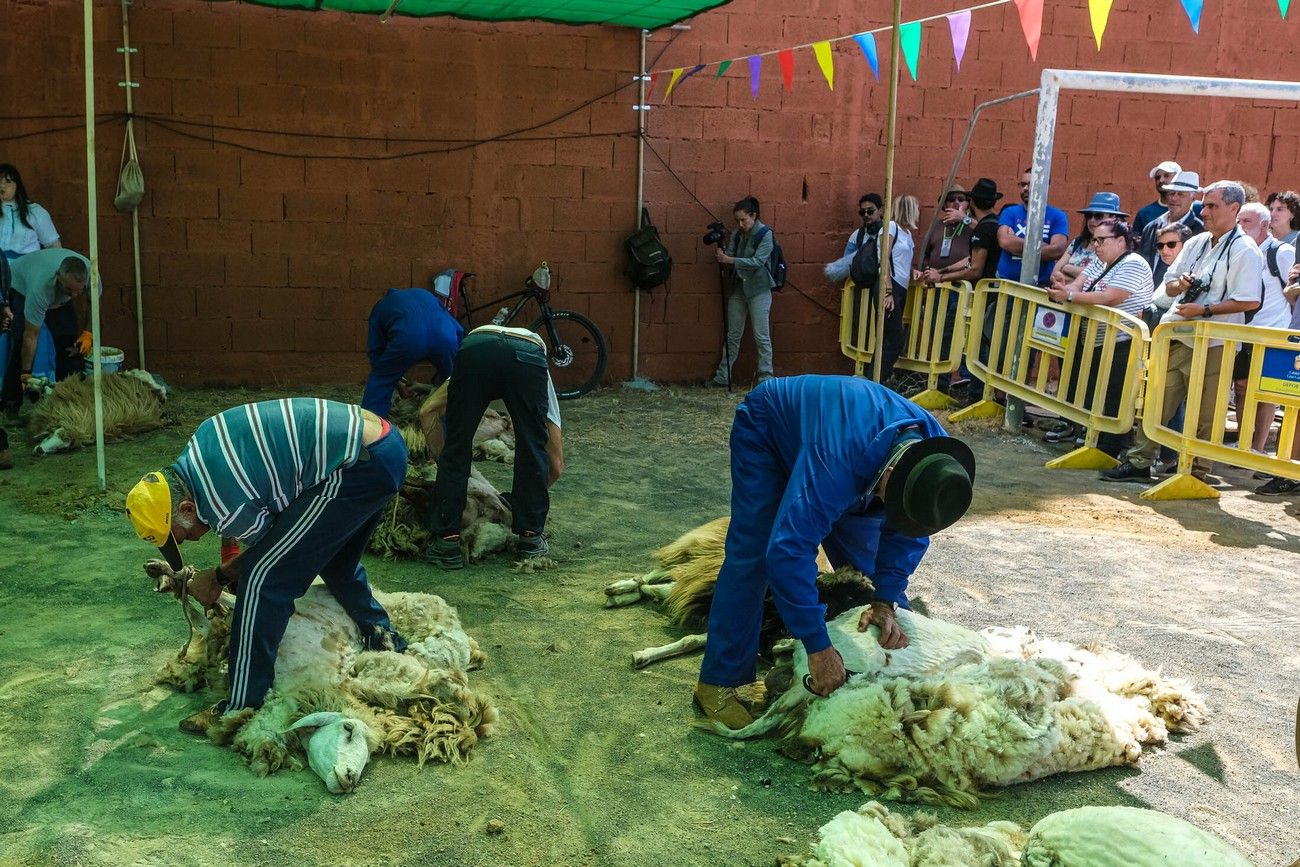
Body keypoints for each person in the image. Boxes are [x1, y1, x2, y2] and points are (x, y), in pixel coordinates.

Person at [692, 375, 975, 730]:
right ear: (890, 473)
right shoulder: (835, 460)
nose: (891, 513)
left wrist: (885, 601)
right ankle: (718, 682)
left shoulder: (935, 460)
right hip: (771, 432)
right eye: (892, 502)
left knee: (871, 580)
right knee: (755, 552)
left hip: (857, 461)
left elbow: (908, 533)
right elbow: (789, 550)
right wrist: (817, 646)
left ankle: (861, 664)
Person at [124, 398, 410, 733]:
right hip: (382, 445)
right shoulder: (198, 453)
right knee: (335, 558)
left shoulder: (222, 500)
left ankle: (241, 705)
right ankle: (383, 639)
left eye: (177, 537)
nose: (183, 543)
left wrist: (216, 578)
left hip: (354, 466)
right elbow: (256, 520)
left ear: (187, 509)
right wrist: (223, 568)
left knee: (264, 581)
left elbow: (271, 552)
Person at [1102, 181, 1262, 484]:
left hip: (1216, 341)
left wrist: (1205, 310)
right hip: (1178, 331)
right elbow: (1168, 286)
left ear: (1234, 209)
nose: (1206, 212)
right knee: (1156, 399)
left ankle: (1196, 471)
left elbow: (1249, 299)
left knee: (1206, 411)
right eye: (1205, 205)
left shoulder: (1244, 249)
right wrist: (1181, 286)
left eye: (1213, 206)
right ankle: (1139, 461)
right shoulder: (1197, 242)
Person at [421, 324, 565, 569]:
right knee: (531, 444)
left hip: (477, 349)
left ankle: (446, 544)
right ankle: (530, 541)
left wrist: (443, 461)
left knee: (458, 442)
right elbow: (555, 464)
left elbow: (426, 410)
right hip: (526, 353)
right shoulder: (541, 372)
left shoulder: (460, 370)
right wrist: (526, 507)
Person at [1045, 219, 1153, 453]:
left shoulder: (1134, 263)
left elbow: (1111, 297)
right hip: (1095, 338)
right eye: (1094, 239)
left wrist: (1070, 297)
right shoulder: (1099, 262)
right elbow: (1078, 286)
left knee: (1115, 396)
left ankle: (1110, 448)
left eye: (1101, 240)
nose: (1096, 245)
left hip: (1123, 342)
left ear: (1121, 241)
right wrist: (1064, 289)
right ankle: (1091, 437)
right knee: (1092, 389)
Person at [1, 247, 98, 413]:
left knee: (71, 346)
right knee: (20, 345)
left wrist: (88, 333)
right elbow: (30, 336)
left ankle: (68, 400)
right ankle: (12, 404)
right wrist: (26, 373)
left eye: (79, 291)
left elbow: (95, 305)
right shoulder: (40, 288)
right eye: (70, 290)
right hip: (21, 285)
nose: (75, 296)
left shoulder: (92, 276)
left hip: (57, 291)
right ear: (58, 278)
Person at [1232, 202, 1293, 457]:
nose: (1241, 226)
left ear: (1265, 225)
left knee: (1268, 391)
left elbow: (1292, 293)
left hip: (1272, 332)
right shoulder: (1241, 251)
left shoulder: (1282, 251)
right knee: (1242, 387)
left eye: (1246, 221)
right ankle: (1243, 443)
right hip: (1245, 331)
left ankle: (1257, 448)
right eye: (1239, 221)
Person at [839, 193, 917, 386]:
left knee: (890, 338)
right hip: (889, 287)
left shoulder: (906, 233)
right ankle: (874, 381)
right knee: (893, 339)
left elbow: (901, 261)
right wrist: (888, 291)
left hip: (900, 286)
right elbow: (884, 259)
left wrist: (914, 272)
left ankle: (875, 379)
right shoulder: (890, 227)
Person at [361, 287, 464, 419]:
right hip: (446, 337)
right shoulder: (424, 294)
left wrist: (395, 382)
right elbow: (458, 330)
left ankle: (372, 427)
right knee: (452, 385)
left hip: (409, 338)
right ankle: (455, 428)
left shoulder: (380, 307)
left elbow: (376, 351)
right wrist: (456, 362)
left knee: (380, 381)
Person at [707, 196, 775, 387]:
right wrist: (723, 253)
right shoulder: (737, 233)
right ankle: (722, 377)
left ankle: (766, 379)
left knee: (762, 337)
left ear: (754, 215)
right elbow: (731, 253)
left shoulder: (765, 234)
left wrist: (730, 260)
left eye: (744, 219)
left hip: (759, 290)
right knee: (732, 335)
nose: (740, 223)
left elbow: (757, 262)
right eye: (738, 220)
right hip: (740, 288)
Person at [996, 168, 1069, 287]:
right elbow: (1004, 242)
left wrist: (1016, 245)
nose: (1025, 188)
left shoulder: (1057, 216)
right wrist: (1043, 246)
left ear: (1045, 186)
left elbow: (1057, 251)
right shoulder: (1010, 212)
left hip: (1040, 286)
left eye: (1031, 184)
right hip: (1006, 285)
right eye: (1023, 184)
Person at [1137, 170, 1204, 269]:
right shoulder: (1151, 228)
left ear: (1192, 199)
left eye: (1181, 194)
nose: (1174, 198)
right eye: (1171, 193)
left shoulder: (1200, 232)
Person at [0, 163, 60, 262]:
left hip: (26, 269)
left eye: (8, 181)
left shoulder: (35, 211)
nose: (2, 185)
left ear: (17, 186)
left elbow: (53, 246)